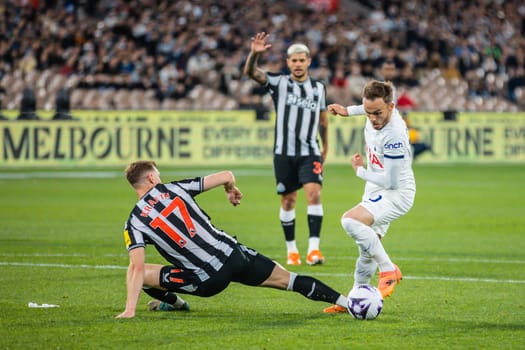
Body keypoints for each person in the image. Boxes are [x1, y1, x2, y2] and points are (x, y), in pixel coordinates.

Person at [116, 160, 348, 319]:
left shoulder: (134, 221)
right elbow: (227, 175)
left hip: (207, 279)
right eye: (158, 174)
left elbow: (136, 268)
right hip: (234, 254)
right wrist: (231, 188)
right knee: (290, 280)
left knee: (143, 275)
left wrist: (130, 309)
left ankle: (175, 304)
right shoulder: (175, 188)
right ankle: (348, 303)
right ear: (151, 177)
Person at [323, 80, 416, 313]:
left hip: (396, 192)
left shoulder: (394, 134)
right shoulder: (372, 111)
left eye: (378, 114)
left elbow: (392, 182)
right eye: (368, 113)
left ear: (392, 107)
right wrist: (348, 111)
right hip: (376, 188)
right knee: (367, 248)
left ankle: (388, 270)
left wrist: (359, 171)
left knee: (350, 220)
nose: (373, 118)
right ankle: (355, 298)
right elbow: (366, 108)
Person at [243, 32, 329, 266]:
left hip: (309, 151)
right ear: (288, 63)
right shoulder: (279, 83)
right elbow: (251, 73)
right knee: (288, 201)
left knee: (314, 193)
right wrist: (254, 54)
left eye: (302, 60)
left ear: (308, 61)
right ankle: (292, 250)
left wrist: (326, 148)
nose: (298, 64)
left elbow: (323, 121)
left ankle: (314, 250)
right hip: (283, 153)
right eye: (294, 60)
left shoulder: (319, 88)